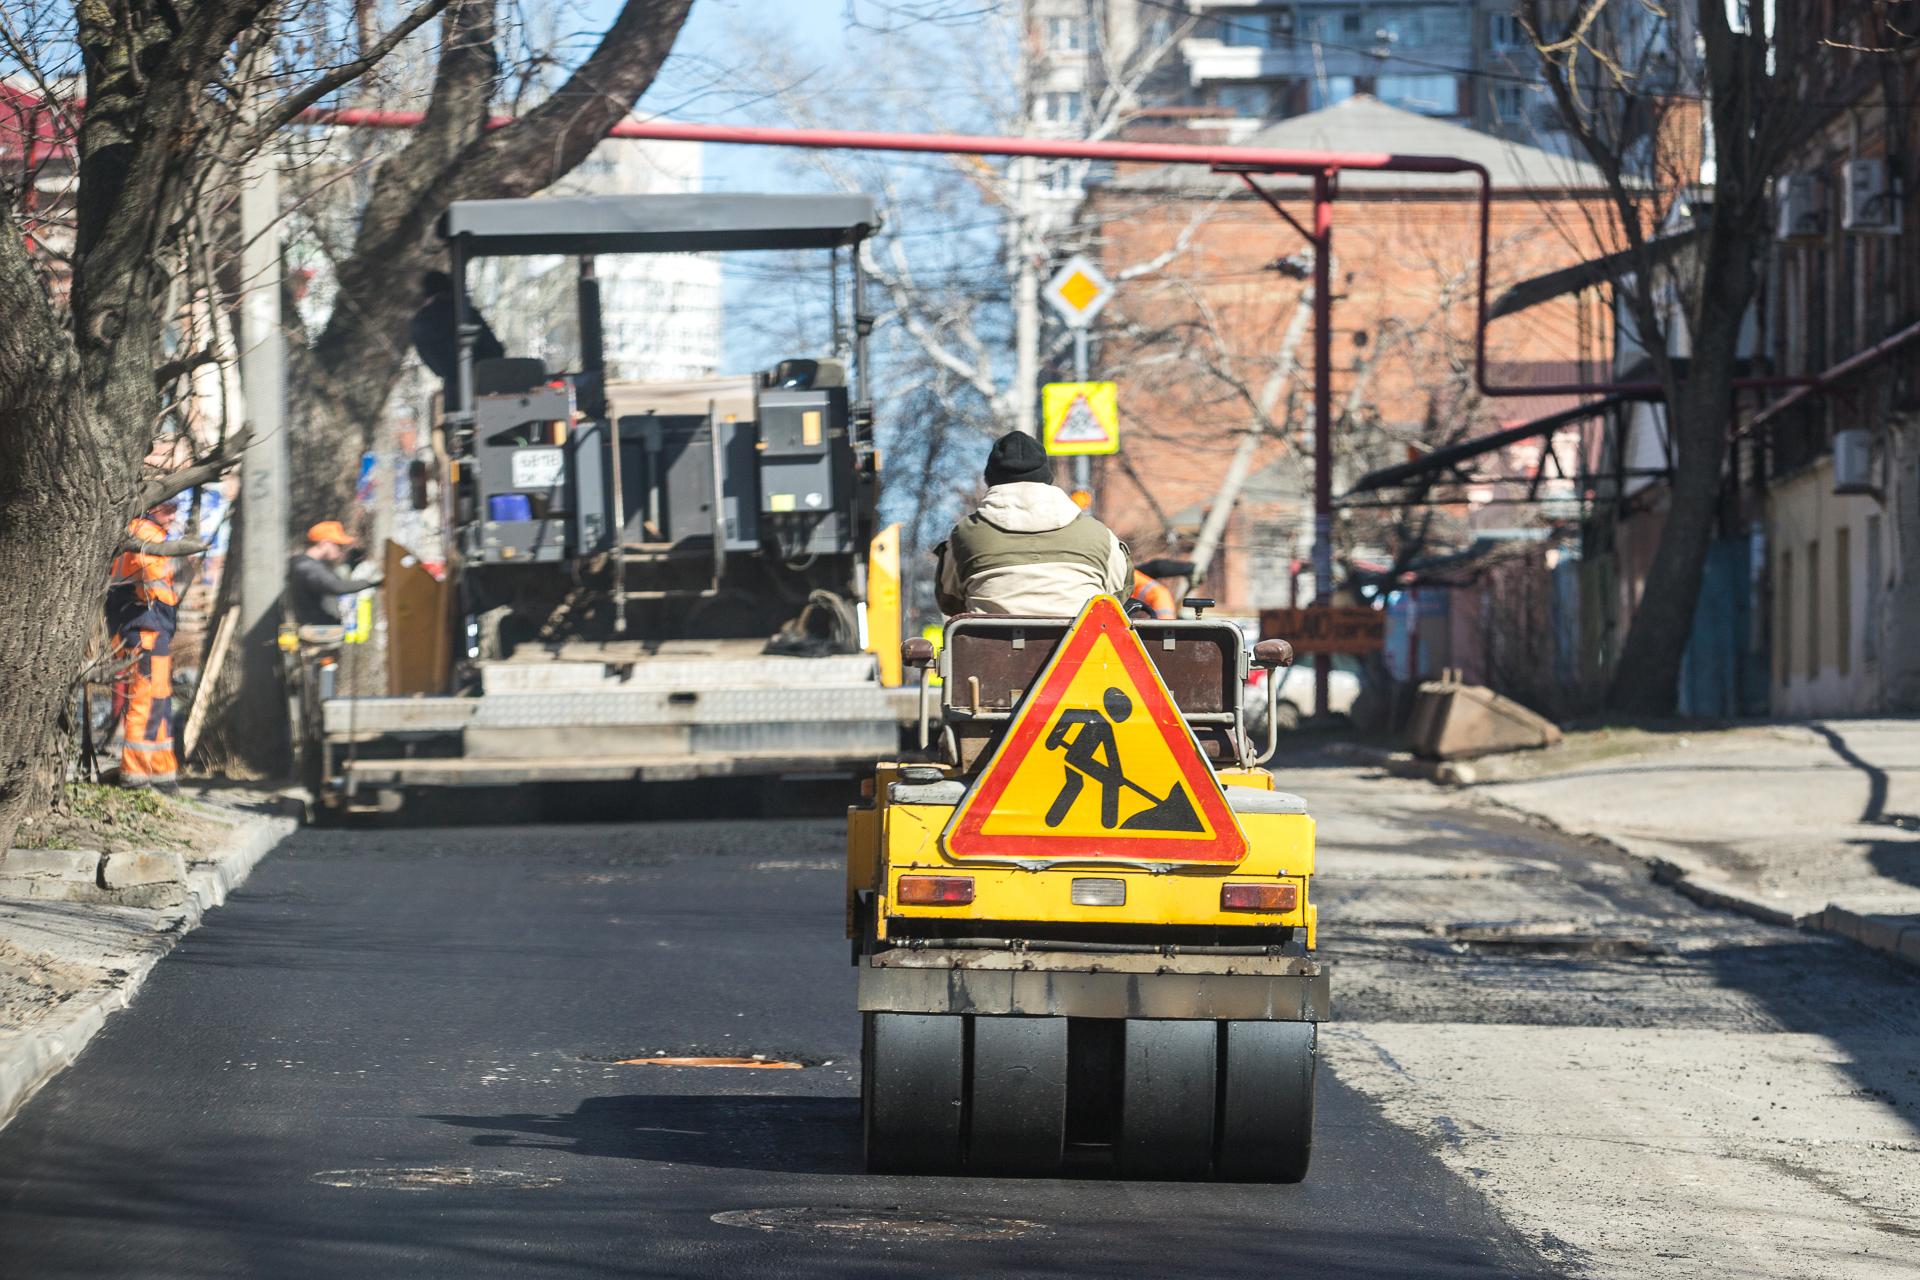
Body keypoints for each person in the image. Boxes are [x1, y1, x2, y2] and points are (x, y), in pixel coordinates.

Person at [935, 432, 1131, 616]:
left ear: (989, 480)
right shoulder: (1099, 535)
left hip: (991, 651)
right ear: (1047, 478)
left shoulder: (965, 535)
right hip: (1084, 650)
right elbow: (1119, 594)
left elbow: (950, 601)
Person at [107, 499, 182, 792]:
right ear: (152, 507)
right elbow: (148, 573)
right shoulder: (144, 533)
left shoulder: (148, 533)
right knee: (146, 702)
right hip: (145, 629)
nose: (174, 515)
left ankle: (162, 772)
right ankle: (136, 774)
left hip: (149, 628)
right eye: (169, 508)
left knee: (159, 703)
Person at [408, 269, 504, 389]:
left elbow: (436, 367)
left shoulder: (418, 324)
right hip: (484, 386)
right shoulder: (464, 315)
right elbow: (493, 350)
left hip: (454, 393)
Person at [286, 521, 381, 628]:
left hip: (312, 628)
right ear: (324, 543)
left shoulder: (303, 564)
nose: (340, 550)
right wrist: (371, 582)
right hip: (313, 630)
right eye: (338, 545)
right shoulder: (308, 567)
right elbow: (335, 586)